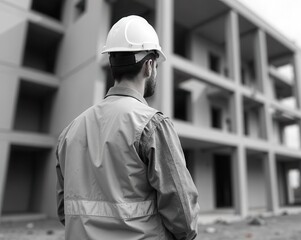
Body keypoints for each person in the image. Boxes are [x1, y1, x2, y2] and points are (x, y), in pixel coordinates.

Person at [56, 15, 199, 240]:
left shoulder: (70, 131)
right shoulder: (153, 126)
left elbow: (65, 211)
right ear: (149, 65)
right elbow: (184, 217)